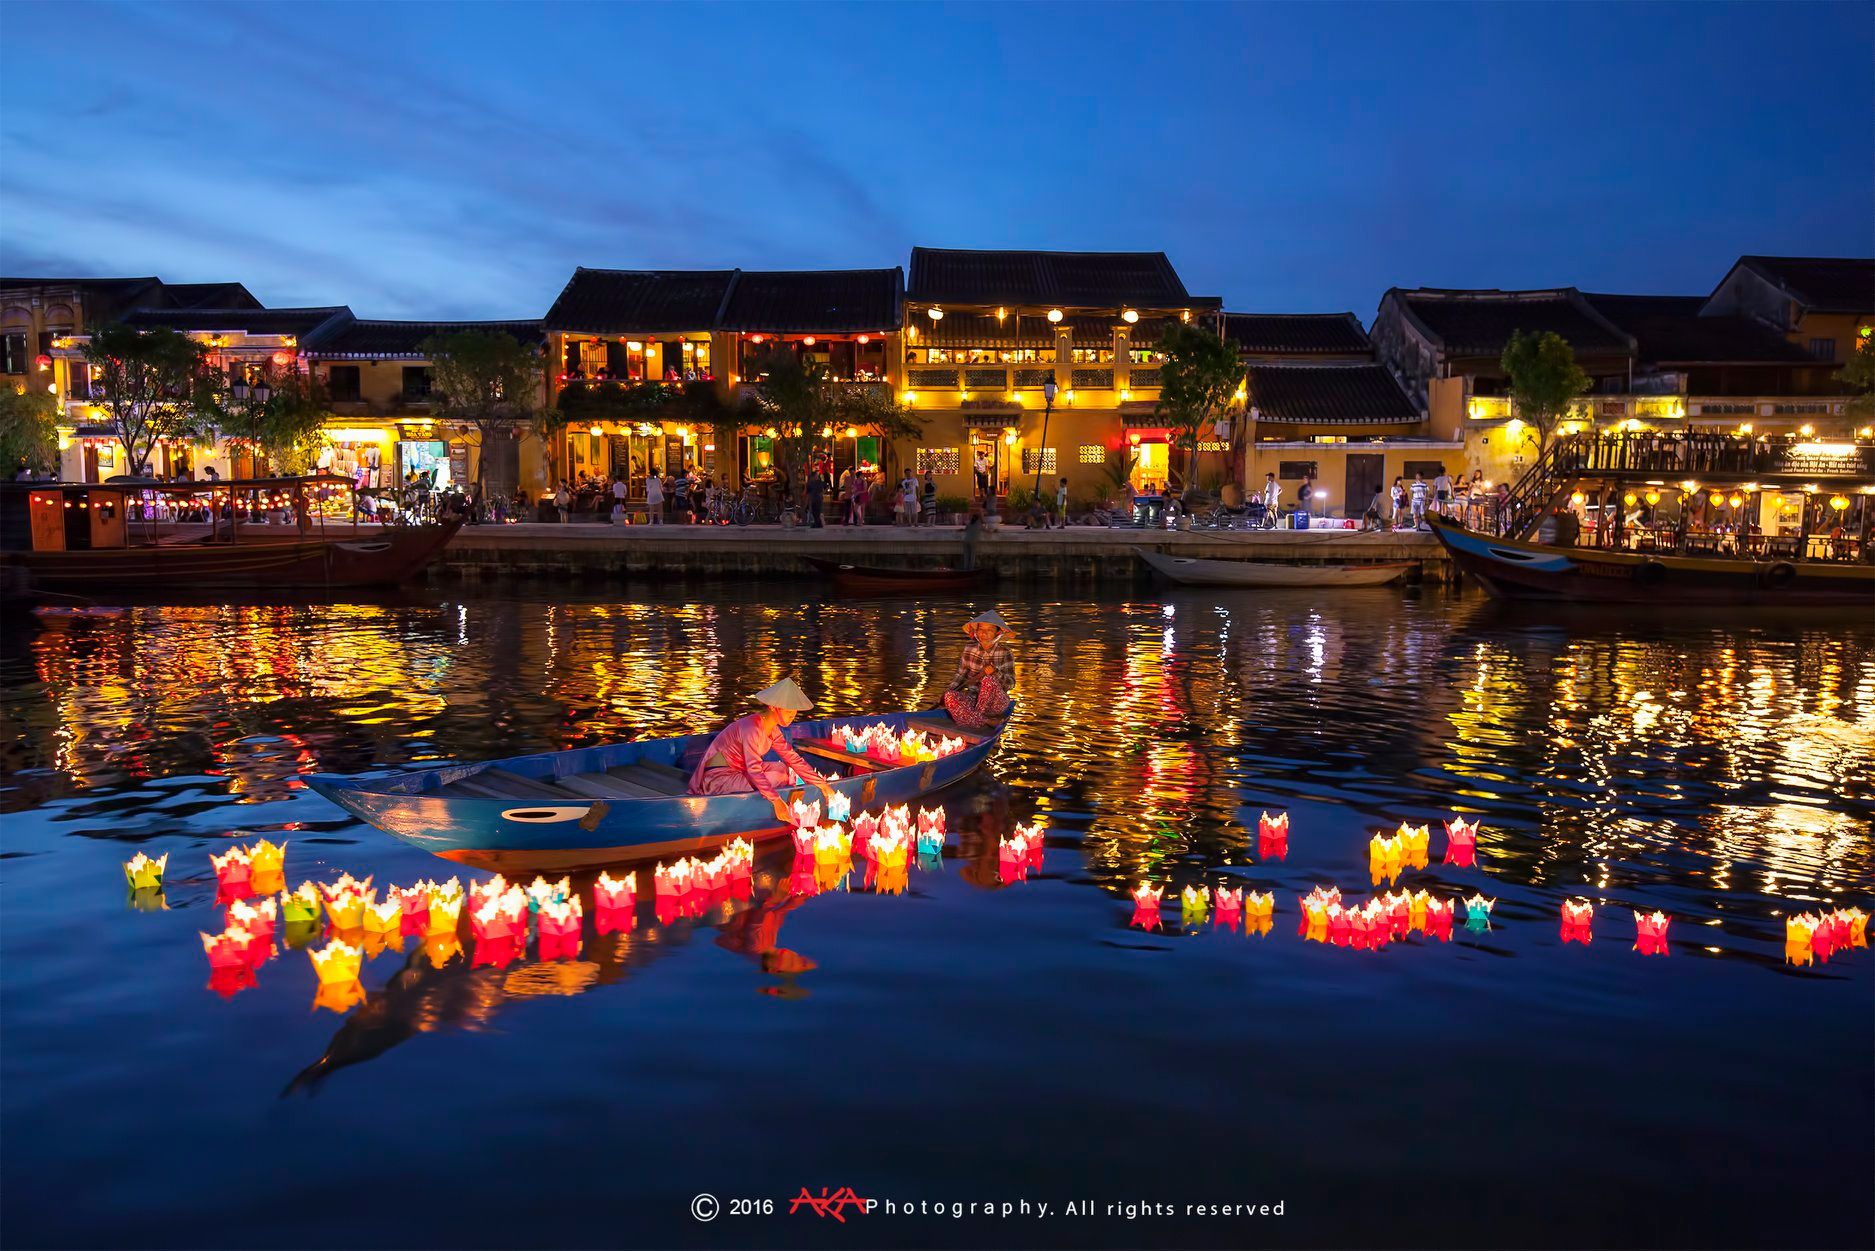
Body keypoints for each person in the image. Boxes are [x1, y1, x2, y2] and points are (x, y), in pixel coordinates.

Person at [687, 679, 839, 824]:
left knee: (782, 769)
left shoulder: (773, 730)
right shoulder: (752, 727)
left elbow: (792, 758)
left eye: (794, 712)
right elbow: (754, 769)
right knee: (776, 776)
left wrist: (822, 784)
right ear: (773, 707)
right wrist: (776, 800)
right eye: (788, 711)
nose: (792, 716)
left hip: (739, 772)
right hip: (718, 780)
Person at [942, 611, 1016, 730]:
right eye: (981, 629)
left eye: (989, 630)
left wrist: (996, 673)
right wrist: (947, 693)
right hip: (973, 700)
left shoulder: (1005, 653)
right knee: (949, 696)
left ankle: (972, 719)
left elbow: (1011, 684)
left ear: (998, 633)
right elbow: (960, 675)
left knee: (988, 680)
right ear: (976, 631)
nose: (983, 633)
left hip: (996, 703)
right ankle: (985, 720)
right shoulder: (969, 649)